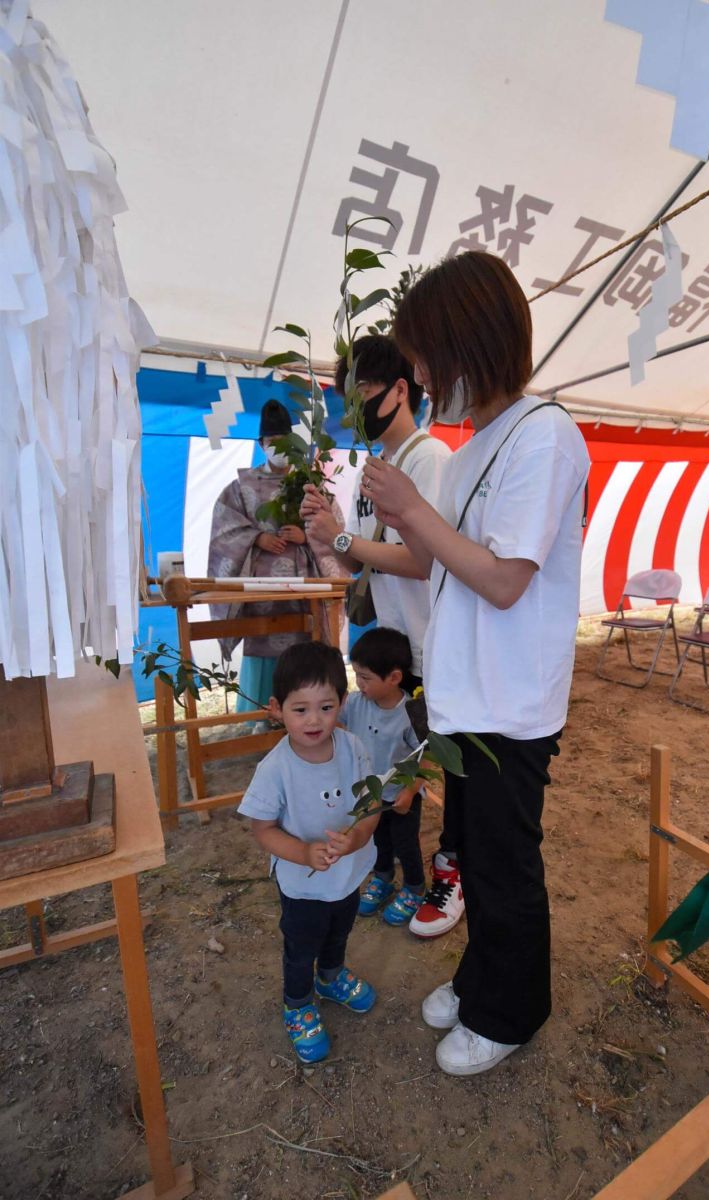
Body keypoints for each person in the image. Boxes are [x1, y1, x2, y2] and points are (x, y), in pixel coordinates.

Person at [360, 250, 590, 1076]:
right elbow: (429, 562)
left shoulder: (545, 437)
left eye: (423, 358)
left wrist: (413, 507)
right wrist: (368, 530)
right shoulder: (472, 448)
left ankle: (511, 1010)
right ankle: (480, 975)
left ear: (470, 341)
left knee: (503, 860)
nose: (419, 377)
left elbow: (500, 579)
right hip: (465, 698)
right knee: (474, 854)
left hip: (510, 700)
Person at [300, 335, 465, 939]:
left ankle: (434, 875)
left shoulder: (429, 460)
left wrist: (346, 541)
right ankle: (389, 868)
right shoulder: (372, 472)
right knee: (379, 765)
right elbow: (358, 565)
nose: (357, 409)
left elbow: (422, 559)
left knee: (412, 773)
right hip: (381, 647)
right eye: (350, 397)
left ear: (401, 390)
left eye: (364, 392)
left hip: (419, 652)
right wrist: (328, 534)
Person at [237, 641, 380, 1064]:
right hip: (302, 885)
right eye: (300, 710)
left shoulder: (352, 748)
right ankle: (297, 1004)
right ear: (276, 708)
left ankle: (331, 977)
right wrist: (302, 852)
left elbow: (371, 805)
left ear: (343, 702)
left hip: (348, 874)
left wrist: (358, 838)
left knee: (340, 930)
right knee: (301, 946)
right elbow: (262, 829)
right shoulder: (275, 768)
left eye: (326, 707)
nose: (314, 720)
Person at [207, 398, 343, 711]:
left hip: (302, 588)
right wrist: (257, 537)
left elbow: (336, 528)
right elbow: (223, 528)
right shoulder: (241, 487)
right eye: (271, 442)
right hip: (262, 592)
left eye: (284, 442)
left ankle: (305, 711)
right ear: (260, 443)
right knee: (263, 644)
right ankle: (259, 712)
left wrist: (306, 536)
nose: (277, 448)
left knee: (305, 645)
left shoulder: (310, 483)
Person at [341, 627, 426, 926]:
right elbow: (325, 714)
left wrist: (411, 790)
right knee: (377, 841)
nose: (358, 683)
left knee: (405, 843)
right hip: (370, 794)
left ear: (393, 678)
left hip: (401, 797)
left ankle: (415, 887)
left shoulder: (410, 712)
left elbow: (425, 755)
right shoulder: (354, 704)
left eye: (365, 677)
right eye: (356, 675)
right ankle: (383, 878)